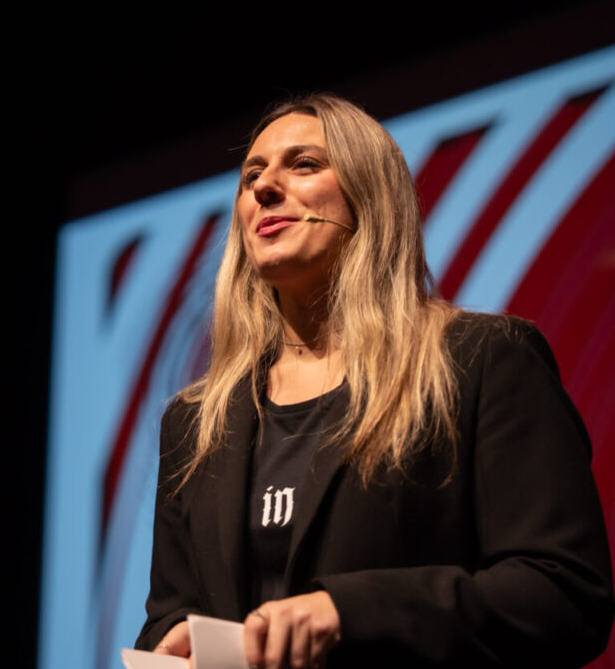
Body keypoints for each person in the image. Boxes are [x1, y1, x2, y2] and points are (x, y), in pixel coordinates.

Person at [134, 94, 613, 668]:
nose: (262, 188)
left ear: (369, 197)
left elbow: (561, 594)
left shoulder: (481, 361)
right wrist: (173, 642)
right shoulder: (194, 423)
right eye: (251, 176)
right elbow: (169, 614)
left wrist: (345, 613)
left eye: (304, 164)